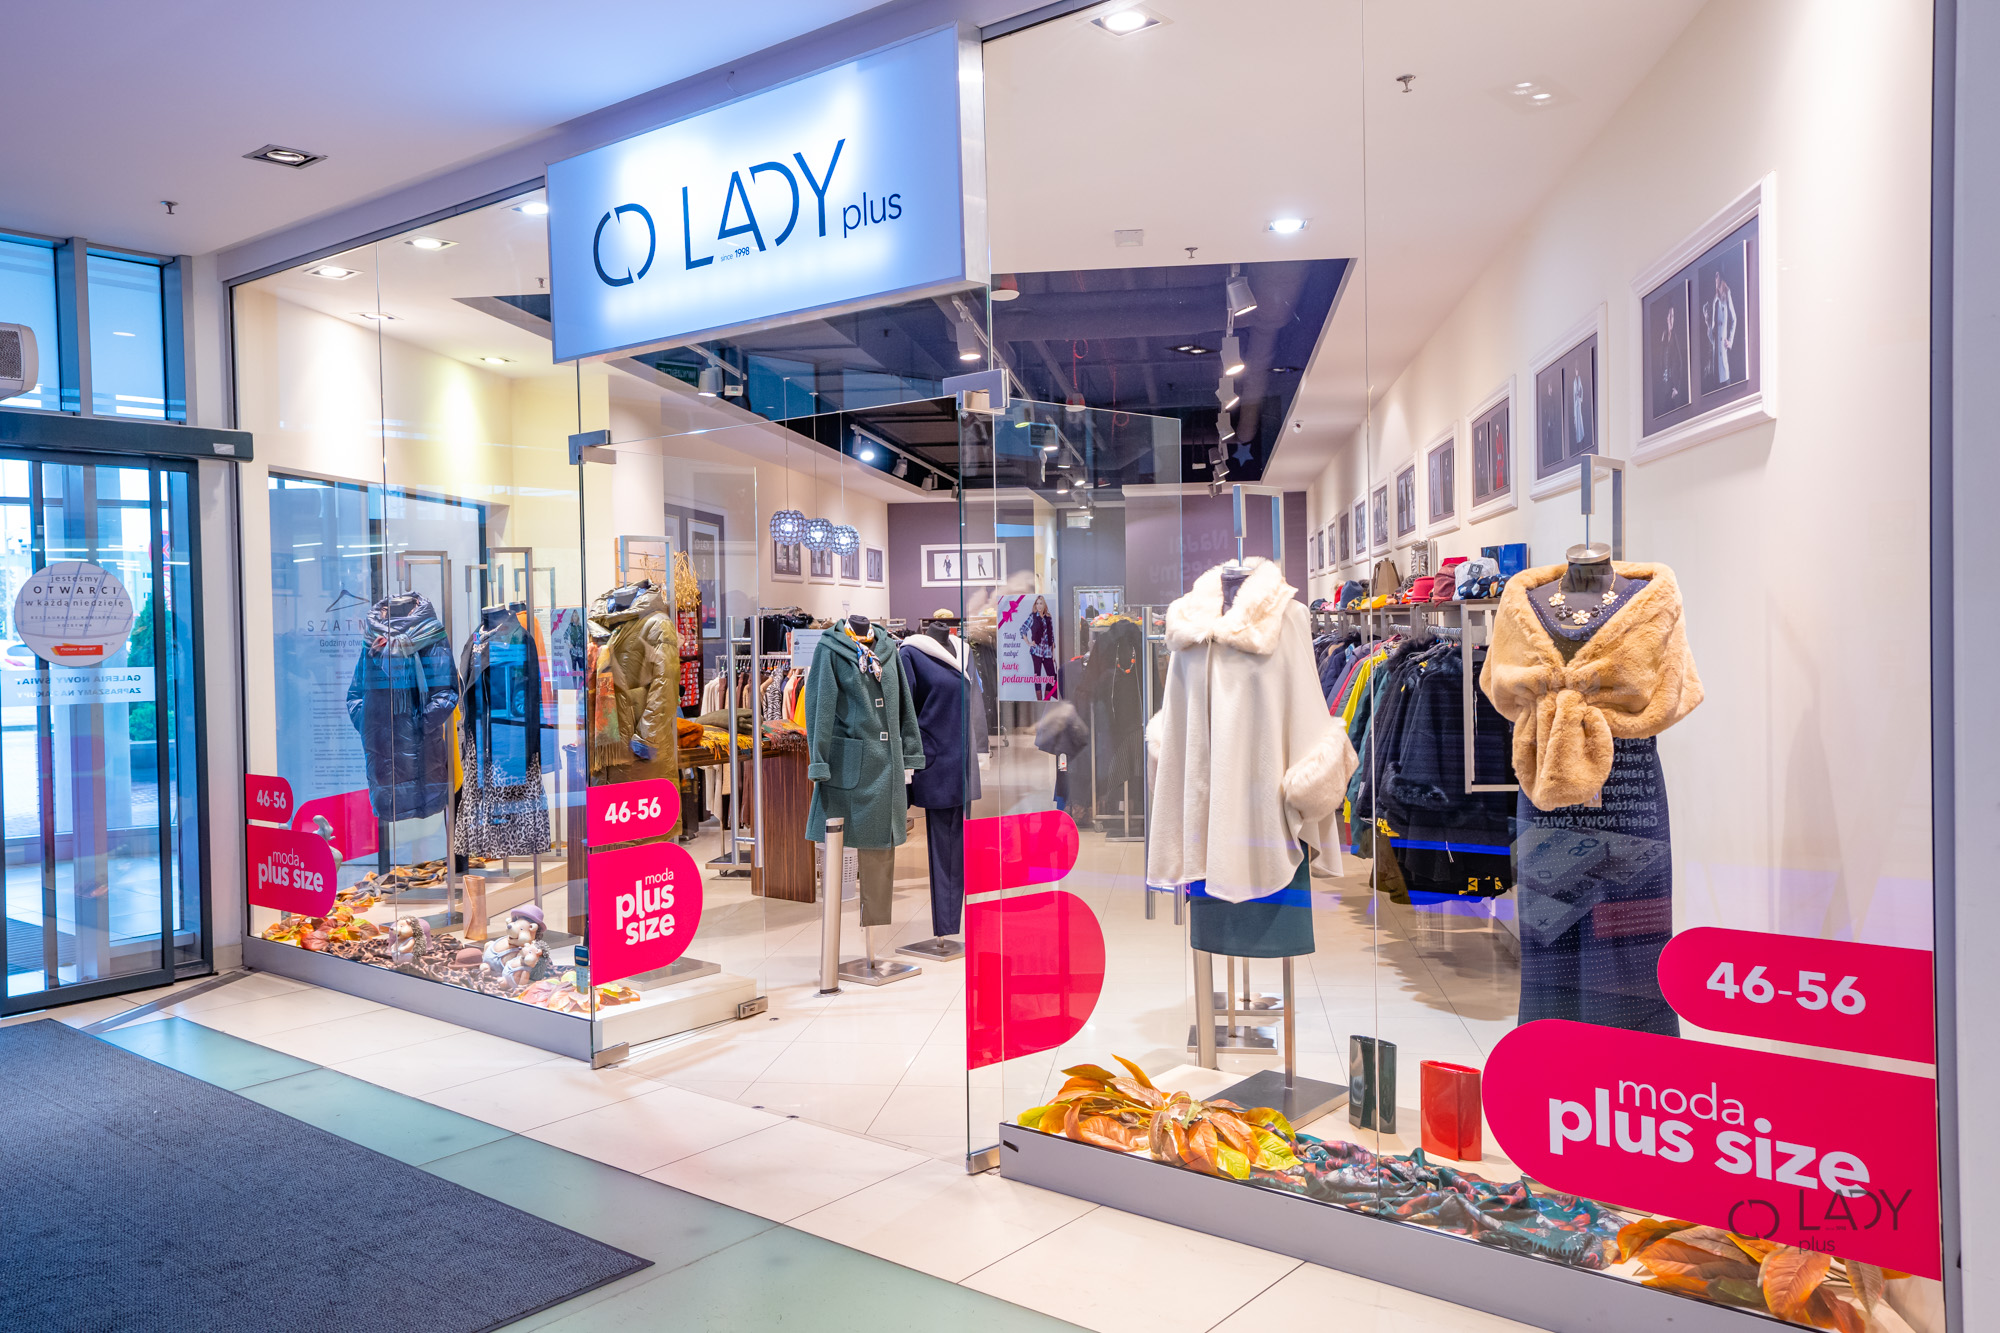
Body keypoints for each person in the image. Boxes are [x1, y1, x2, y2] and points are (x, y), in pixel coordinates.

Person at [1703, 268, 1738, 389]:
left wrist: (1730, 341)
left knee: (1727, 386)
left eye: (1717, 275)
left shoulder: (1727, 294)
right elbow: (1712, 338)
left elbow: (1734, 319)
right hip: (1714, 359)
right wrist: (1707, 322)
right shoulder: (1714, 301)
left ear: (1721, 278)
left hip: (1724, 355)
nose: (1715, 279)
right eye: (1715, 276)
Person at [1028, 595, 1059, 700]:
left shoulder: (1048, 618)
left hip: (1047, 651)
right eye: (1037, 603)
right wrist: (1029, 642)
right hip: (1036, 650)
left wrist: (1053, 654)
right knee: (1037, 676)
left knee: (1051, 676)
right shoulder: (1033, 617)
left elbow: (1052, 637)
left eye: (1041, 603)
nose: (1039, 605)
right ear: (1035, 605)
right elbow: (1023, 629)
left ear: (1044, 605)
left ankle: (1047, 700)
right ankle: (1039, 701)